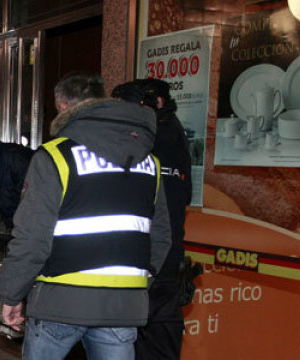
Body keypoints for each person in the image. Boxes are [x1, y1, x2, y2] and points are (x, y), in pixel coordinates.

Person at [0, 73, 172, 360]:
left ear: (64, 107)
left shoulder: (55, 156)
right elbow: (161, 235)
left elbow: (32, 238)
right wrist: (137, 283)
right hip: (123, 306)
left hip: (60, 302)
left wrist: (11, 294)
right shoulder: (149, 162)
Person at [112, 78, 193, 360]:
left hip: (152, 265)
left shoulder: (153, 142)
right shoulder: (174, 136)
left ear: (154, 104)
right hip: (166, 264)